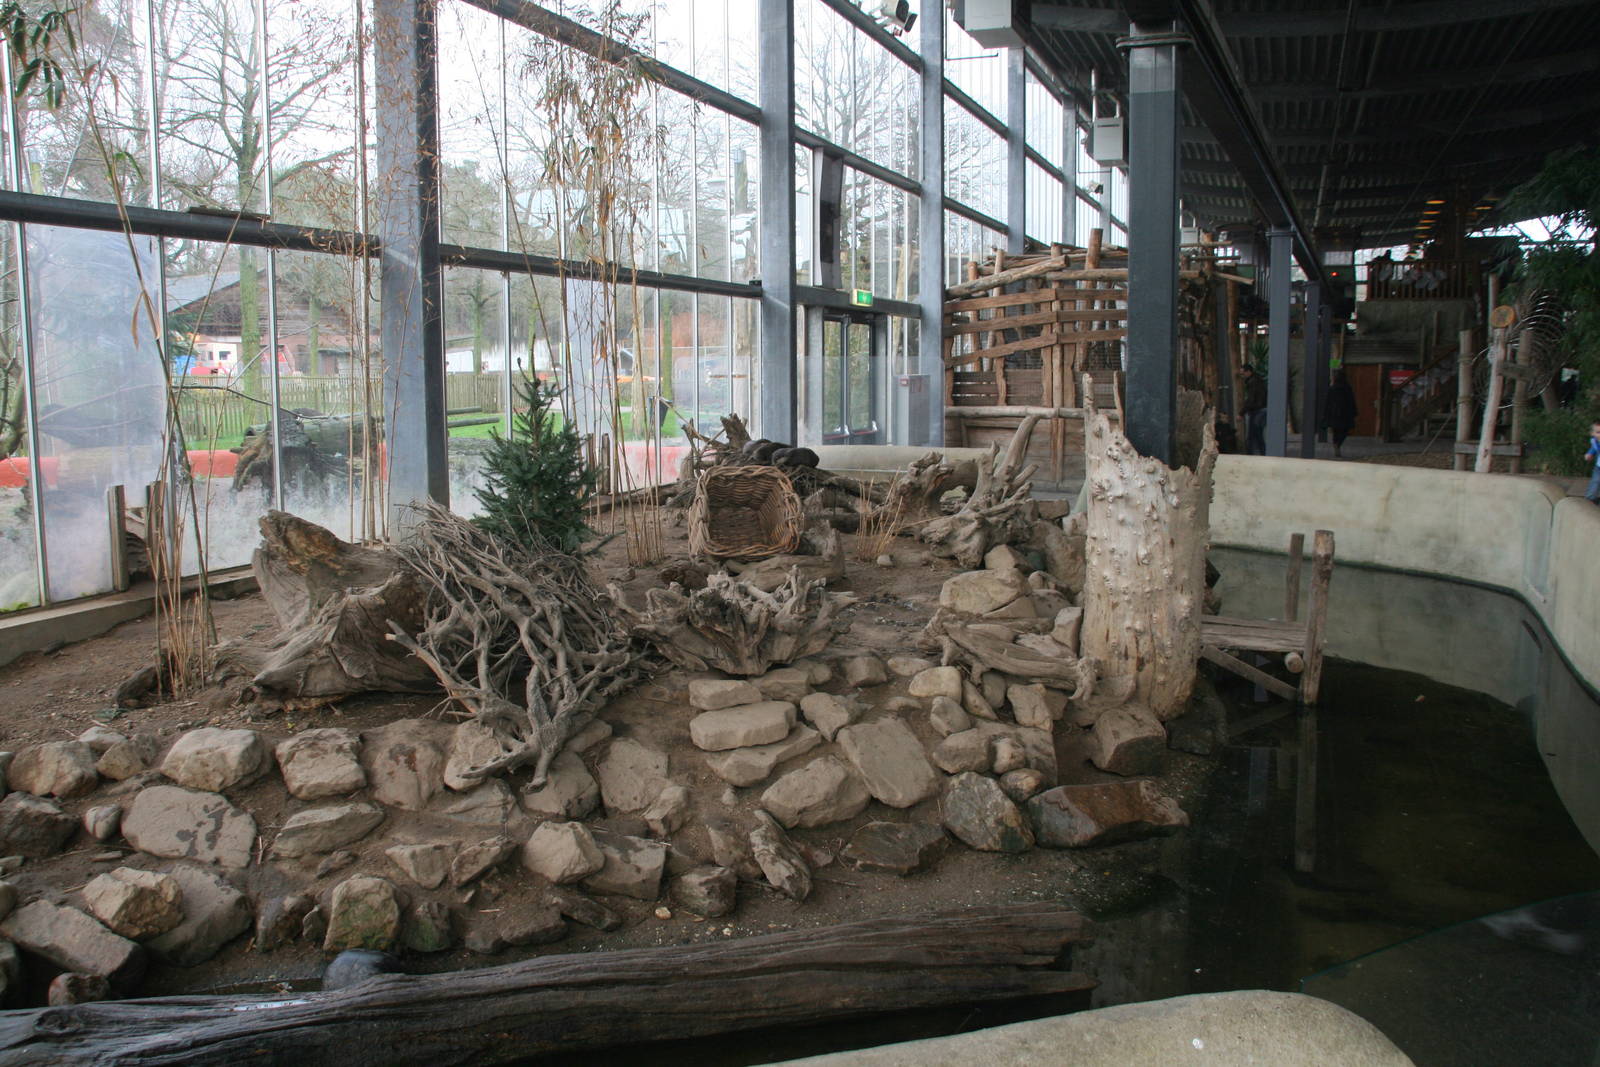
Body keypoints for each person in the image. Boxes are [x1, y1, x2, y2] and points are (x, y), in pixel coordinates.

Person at [1322, 370, 1359, 458]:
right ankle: (1338, 444)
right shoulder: (1347, 388)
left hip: (1334, 414)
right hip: (1345, 413)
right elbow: (1351, 401)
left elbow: (1328, 402)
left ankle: (1336, 444)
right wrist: (1354, 412)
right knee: (1344, 431)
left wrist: (1326, 414)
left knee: (1336, 431)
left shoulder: (1332, 388)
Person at [1240, 364, 1267, 455]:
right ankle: (1262, 453)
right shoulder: (1257, 380)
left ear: (1248, 372)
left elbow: (1251, 399)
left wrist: (1241, 413)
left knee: (1253, 435)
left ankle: (1252, 454)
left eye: (1243, 374)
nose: (1242, 376)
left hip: (1257, 410)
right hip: (1260, 409)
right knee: (1258, 434)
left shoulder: (1252, 382)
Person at [1585, 421, 1600, 504]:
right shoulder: (1595, 441)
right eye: (1598, 432)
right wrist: (1589, 454)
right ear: (1592, 433)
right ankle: (1590, 498)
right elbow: (1593, 449)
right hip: (1599, 467)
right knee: (1595, 481)